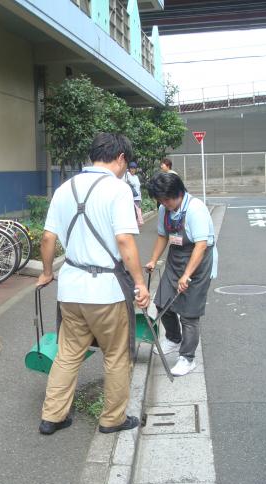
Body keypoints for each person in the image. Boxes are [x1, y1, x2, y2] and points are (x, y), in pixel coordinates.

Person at [36, 133, 150, 435]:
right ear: (121, 157)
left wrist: (47, 272)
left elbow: (47, 238)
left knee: (68, 353)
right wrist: (140, 283)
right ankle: (113, 419)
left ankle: (53, 416)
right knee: (116, 354)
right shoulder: (118, 190)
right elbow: (124, 239)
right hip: (108, 291)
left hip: (71, 289)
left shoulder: (64, 189)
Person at [145, 172, 217, 377]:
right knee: (162, 302)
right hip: (176, 258)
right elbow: (163, 236)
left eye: (166, 199)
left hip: (198, 260)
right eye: (160, 200)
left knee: (189, 313)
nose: (164, 203)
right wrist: (153, 259)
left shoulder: (196, 209)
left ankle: (187, 358)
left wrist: (186, 276)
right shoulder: (164, 209)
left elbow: (201, 245)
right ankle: (174, 339)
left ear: (178, 193)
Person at [126, 161, 144, 226]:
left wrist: (140, 197)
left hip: (137, 198)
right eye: (131, 168)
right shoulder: (128, 175)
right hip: (131, 197)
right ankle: (132, 225)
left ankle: (135, 224)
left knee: (137, 212)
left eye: (134, 168)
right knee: (132, 212)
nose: (133, 169)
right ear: (129, 169)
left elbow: (138, 188)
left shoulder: (136, 177)